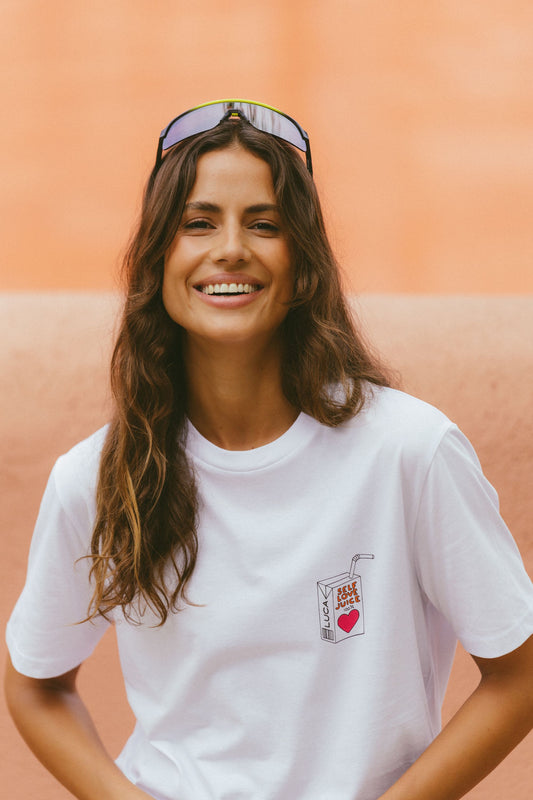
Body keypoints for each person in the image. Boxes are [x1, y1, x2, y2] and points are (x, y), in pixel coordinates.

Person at [4, 100, 533, 800]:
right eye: (197, 223)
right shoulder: (98, 478)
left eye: (264, 224)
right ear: (158, 260)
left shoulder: (410, 451)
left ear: (303, 263)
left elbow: (519, 675)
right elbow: (35, 684)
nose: (230, 248)